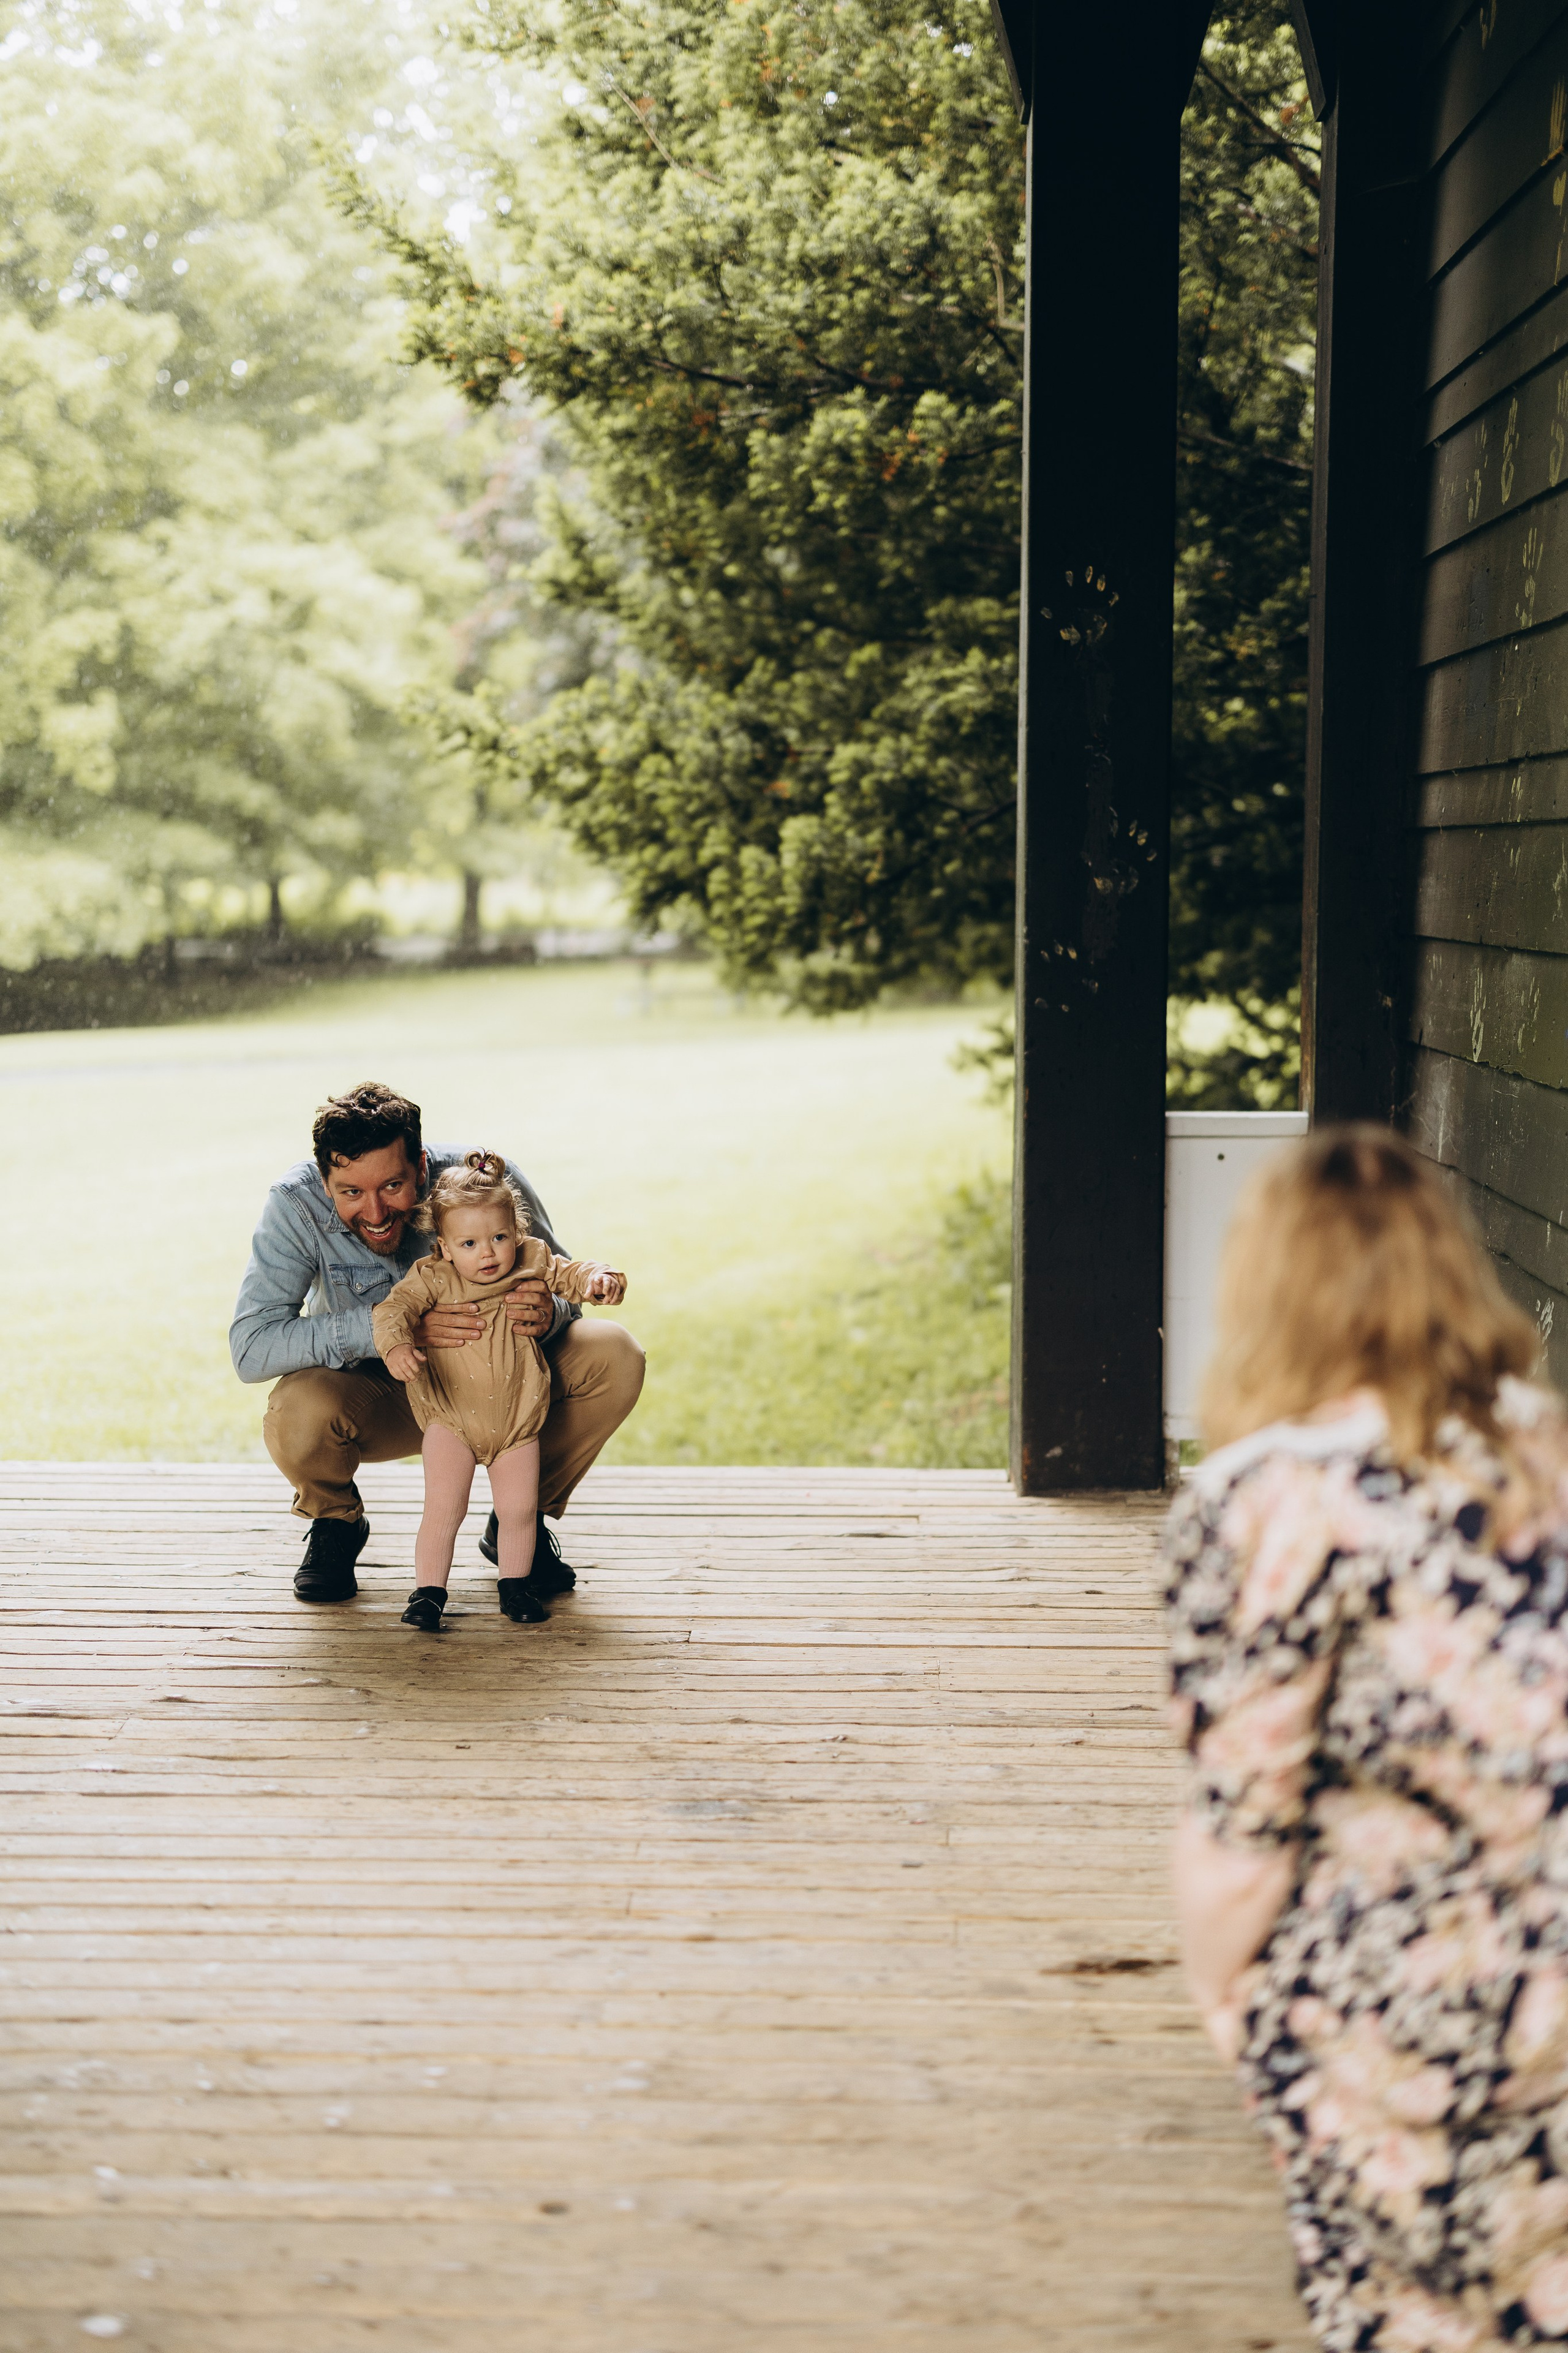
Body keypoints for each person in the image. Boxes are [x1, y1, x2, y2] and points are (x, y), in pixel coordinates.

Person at [1163, 1125, 1568, 2351]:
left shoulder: (1269, 1499)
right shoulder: (1542, 1444)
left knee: (1409, 2317)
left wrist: (1226, 2002)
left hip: (1416, 2010)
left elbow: (1242, 1824)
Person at [230, 1081, 644, 1607]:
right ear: (325, 1179)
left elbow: (562, 1279)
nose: (376, 1211)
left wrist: (551, 1311)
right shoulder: (295, 1205)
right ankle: (335, 1522)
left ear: (422, 1166)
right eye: (352, 1192)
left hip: (504, 1388)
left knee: (615, 1353)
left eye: (393, 1186)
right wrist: (393, 1328)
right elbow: (251, 1346)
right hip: (382, 1393)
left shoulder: (485, 1182)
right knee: (296, 1409)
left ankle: (519, 1518)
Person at [372, 1152, 627, 1630]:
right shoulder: (432, 1279)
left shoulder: (530, 1261)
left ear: (518, 1233)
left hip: (517, 1418)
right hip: (452, 1418)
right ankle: (428, 1592)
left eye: (499, 1237)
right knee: (445, 1508)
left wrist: (597, 1279)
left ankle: (515, 1585)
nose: (487, 1253)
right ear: (444, 1247)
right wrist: (396, 1347)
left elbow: (569, 1273)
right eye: (469, 1242)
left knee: (517, 1510)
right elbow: (391, 1311)